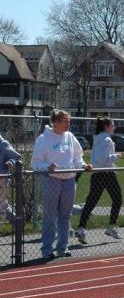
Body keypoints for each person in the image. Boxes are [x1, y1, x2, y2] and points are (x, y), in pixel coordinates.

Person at [31, 109, 92, 259]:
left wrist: (83, 165)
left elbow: (77, 157)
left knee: (65, 215)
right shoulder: (44, 138)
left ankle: (63, 247)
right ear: (56, 122)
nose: (68, 124)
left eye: (69, 121)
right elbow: (35, 162)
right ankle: (47, 249)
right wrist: (47, 166)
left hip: (69, 180)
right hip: (52, 180)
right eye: (65, 121)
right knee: (50, 216)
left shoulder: (70, 137)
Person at [75, 117, 124, 244]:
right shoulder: (107, 140)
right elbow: (103, 159)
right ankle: (112, 226)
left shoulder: (98, 139)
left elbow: (98, 158)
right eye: (112, 125)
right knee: (117, 199)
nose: (114, 127)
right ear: (106, 126)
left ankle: (81, 228)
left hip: (96, 174)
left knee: (91, 202)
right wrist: (115, 156)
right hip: (107, 174)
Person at [0, 134, 22, 221]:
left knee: (2, 206)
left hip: (1, 178)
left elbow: (17, 157)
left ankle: (17, 223)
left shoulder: (3, 144)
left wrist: (10, 162)